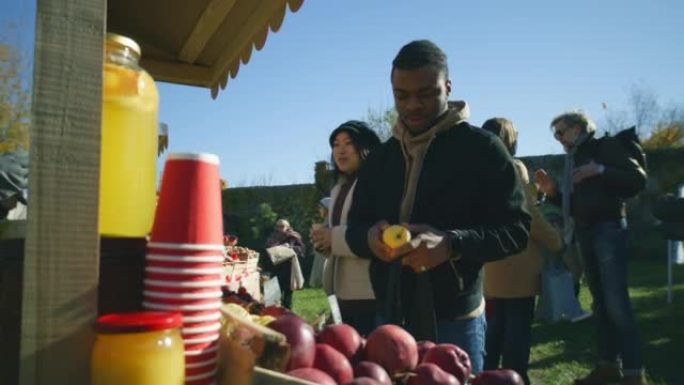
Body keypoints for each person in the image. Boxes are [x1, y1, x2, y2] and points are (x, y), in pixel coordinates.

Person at [344, 40, 531, 374]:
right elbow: (357, 227)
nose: (413, 105)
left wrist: (451, 245)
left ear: (448, 87)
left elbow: (516, 229)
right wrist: (370, 238)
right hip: (389, 319)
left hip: (455, 322)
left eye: (426, 93)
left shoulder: (483, 149)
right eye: (402, 96)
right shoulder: (380, 161)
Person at [535, 111, 648, 385]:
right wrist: (553, 193)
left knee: (616, 303)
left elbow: (638, 178)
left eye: (561, 132)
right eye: (556, 134)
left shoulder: (604, 147)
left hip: (608, 229)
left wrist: (601, 170)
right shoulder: (575, 157)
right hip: (587, 231)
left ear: (578, 128)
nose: (558, 138)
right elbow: (577, 206)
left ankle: (634, 373)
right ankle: (608, 365)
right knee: (600, 303)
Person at [480, 118, 563, 385]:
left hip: (491, 260)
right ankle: (516, 377)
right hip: (518, 259)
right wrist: (557, 242)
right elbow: (530, 218)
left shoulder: (478, 171)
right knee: (517, 327)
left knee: (495, 325)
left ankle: (486, 375)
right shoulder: (513, 167)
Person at [310, 121, 381, 336]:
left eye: (349, 143)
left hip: (367, 292)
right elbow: (337, 231)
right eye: (335, 144)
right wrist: (323, 242)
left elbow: (377, 234)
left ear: (365, 147)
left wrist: (334, 238)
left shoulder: (376, 184)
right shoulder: (339, 187)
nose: (340, 150)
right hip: (338, 292)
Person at [265, 218, 306, 309]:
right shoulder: (272, 237)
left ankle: (287, 313)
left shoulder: (293, 237)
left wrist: (289, 248)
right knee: (272, 295)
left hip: (288, 268)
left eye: (282, 226)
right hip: (275, 268)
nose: (279, 228)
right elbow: (267, 250)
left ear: (288, 227)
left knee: (287, 296)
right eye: (277, 226)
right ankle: (272, 314)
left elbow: (302, 250)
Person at [308, 197, 331, 288]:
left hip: (329, 254)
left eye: (321, 208)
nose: (319, 210)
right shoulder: (326, 221)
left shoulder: (332, 222)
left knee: (330, 284)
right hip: (322, 252)